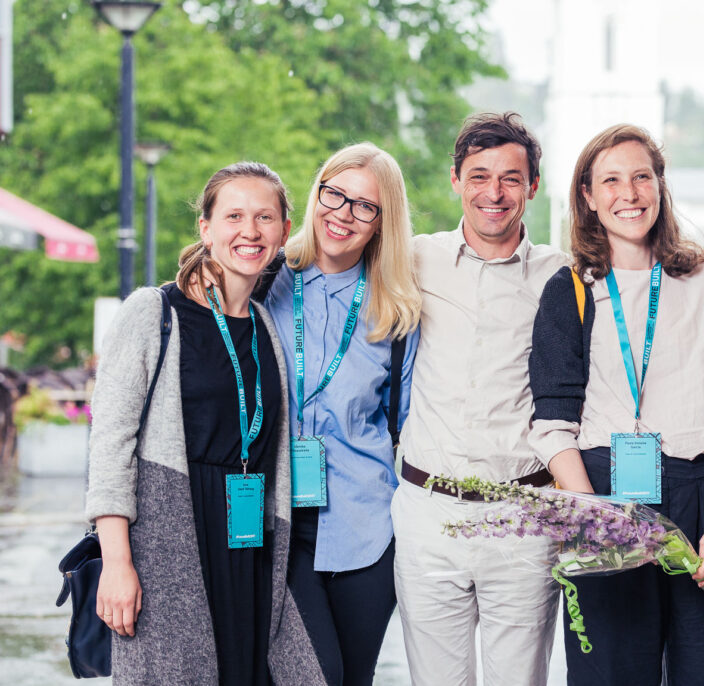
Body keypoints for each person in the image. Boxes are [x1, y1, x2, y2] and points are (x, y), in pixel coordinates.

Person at [528, 123, 704, 686]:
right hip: (603, 497)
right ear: (587, 196)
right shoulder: (572, 288)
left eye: (641, 176)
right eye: (610, 180)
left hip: (700, 495)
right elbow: (552, 423)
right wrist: (591, 517)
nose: (628, 194)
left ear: (661, 185)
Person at [87, 162, 326, 685]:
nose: (250, 231)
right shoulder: (155, 313)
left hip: (248, 543)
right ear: (206, 227)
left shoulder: (265, 323)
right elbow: (109, 446)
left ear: (285, 231)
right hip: (168, 539)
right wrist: (117, 563)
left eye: (265, 217)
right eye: (234, 215)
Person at [389, 112, 568, 686]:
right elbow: (324, 262)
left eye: (511, 178)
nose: (494, 192)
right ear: (456, 180)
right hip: (427, 509)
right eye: (480, 175)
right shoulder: (415, 259)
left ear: (532, 187)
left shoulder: (562, 276)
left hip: (522, 514)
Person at [260, 142, 421, 686]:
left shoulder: (396, 308)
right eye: (335, 194)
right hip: (277, 521)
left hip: (366, 527)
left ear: (382, 222)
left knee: (354, 678)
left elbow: (404, 418)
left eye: (364, 206)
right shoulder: (264, 281)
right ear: (317, 192)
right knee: (313, 676)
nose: (343, 214)